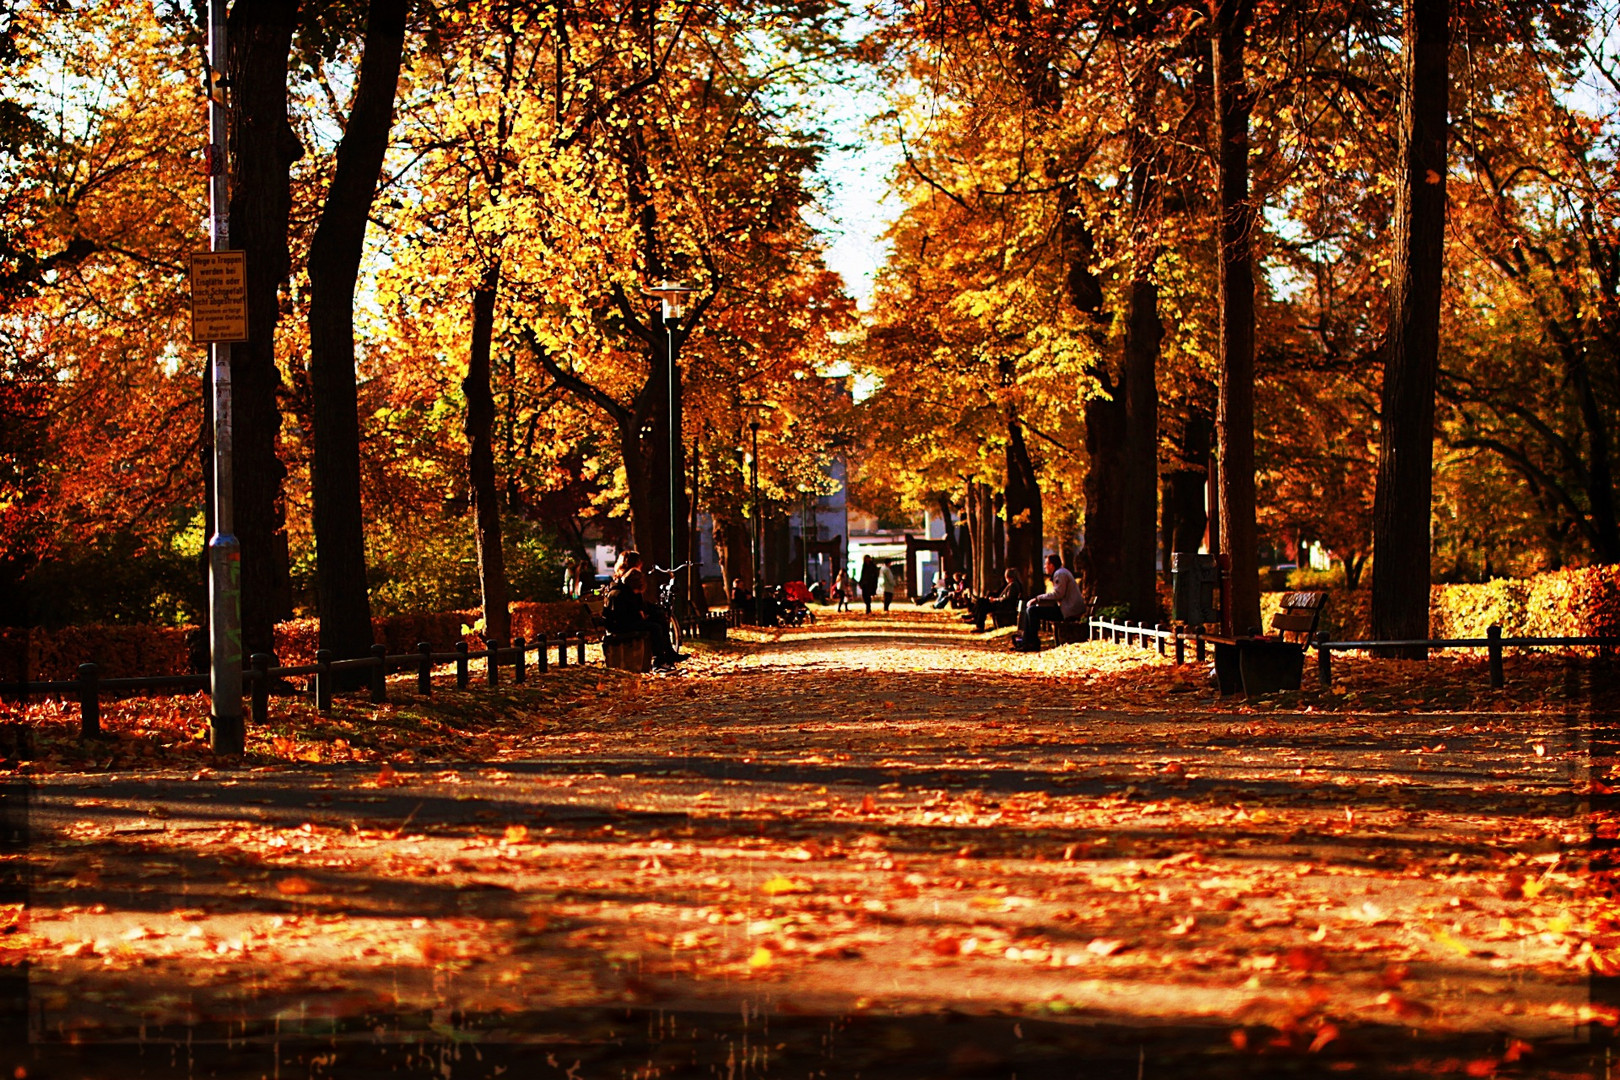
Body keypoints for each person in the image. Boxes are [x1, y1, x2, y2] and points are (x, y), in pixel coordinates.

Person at [603, 566, 682, 668]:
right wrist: (642, 615)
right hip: (620, 626)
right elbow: (625, 616)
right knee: (655, 627)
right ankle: (659, 660)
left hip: (626, 621)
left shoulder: (628, 591)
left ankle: (668, 654)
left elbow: (642, 607)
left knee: (660, 620)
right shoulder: (619, 594)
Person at [1013, 553, 1086, 651]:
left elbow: (1058, 594)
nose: (1045, 567)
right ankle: (1027, 641)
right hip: (1067, 608)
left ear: (1052, 565)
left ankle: (1031, 643)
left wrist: (1037, 599)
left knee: (1032, 611)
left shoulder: (1060, 574)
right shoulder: (1061, 573)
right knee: (1031, 610)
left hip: (1068, 611)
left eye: (1046, 564)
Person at [971, 567, 1024, 632]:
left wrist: (995, 600)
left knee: (982, 604)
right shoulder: (1013, 584)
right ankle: (975, 618)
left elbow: (1007, 599)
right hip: (1002, 604)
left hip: (1003, 606)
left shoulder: (1013, 585)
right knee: (981, 601)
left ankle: (979, 625)